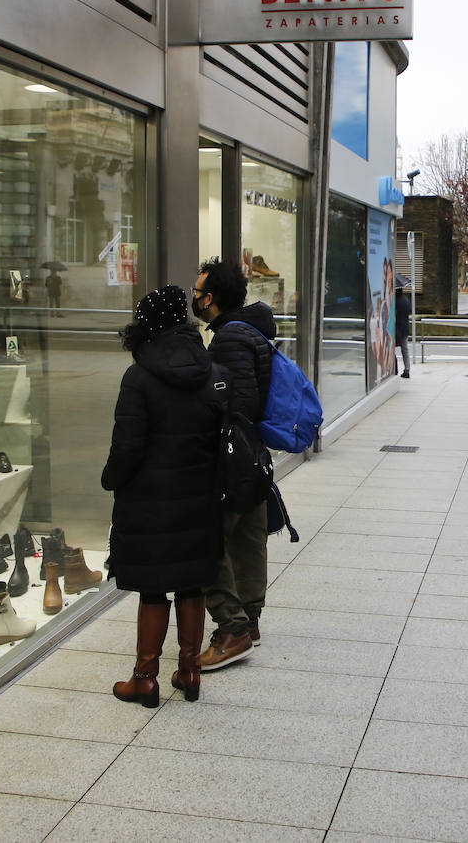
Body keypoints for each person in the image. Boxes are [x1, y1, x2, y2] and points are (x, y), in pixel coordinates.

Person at [102, 285, 221, 706]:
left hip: (150, 498)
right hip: (199, 496)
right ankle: (190, 671)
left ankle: (144, 678)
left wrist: (111, 479)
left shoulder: (139, 376)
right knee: (191, 581)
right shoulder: (208, 368)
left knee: (153, 587)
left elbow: (127, 446)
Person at [191, 258, 274, 670]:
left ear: (213, 298)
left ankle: (233, 627)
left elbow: (236, 403)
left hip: (233, 456)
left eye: (199, 292)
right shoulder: (252, 331)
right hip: (253, 455)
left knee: (209, 543)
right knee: (248, 538)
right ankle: (250, 621)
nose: (195, 299)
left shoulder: (229, 339)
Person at [394, 284, 412, 377]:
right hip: (405, 328)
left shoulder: (394, 301)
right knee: (405, 350)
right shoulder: (406, 300)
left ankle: (394, 369)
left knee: (391, 349)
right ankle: (407, 369)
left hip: (396, 328)